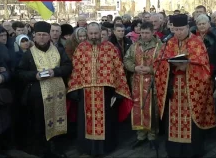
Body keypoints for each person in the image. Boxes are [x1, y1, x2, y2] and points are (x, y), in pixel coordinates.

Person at [154, 14, 216, 158]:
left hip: (191, 90)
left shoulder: (197, 43)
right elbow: (158, 63)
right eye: (175, 29)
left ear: (188, 27)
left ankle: (192, 152)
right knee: (173, 120)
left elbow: (205, 67)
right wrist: (169, 66)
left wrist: (187, 67)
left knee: (191, 122)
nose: (178, 32)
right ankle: (174, 151)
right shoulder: (169, 43)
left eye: (181, 29)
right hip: (173, 89)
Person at [67, 22, 133, 156]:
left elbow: (118, 69)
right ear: (87, 33)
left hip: (106, 92)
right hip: (85, 93)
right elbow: (76, 69)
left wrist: (118, 89)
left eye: (95, 33)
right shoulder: (81, 48)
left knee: (107, 121)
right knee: (86, 122)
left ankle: (105, 148)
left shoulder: (110, 48)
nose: (93, 36)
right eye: (90, 33)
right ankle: (87, 148)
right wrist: (74, 89)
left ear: (101, 32)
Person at [17, 21, 72, 157]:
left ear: (49, 36)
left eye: (44, 35)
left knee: (57, 120)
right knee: (40, 123)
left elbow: (68, 66)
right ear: (34, 36)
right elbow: (19, 72)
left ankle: (56, 148)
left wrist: (56, 72)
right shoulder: (29, 54)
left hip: (58, 94)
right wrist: (34, 75)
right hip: (38, 96)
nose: (41, 37)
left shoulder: (59, 50)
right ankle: (43, 151)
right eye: (39, 35)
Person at [123, 22, 162, 149]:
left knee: (152, 110)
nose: (144, 36)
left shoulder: (160, 46)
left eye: (147, 33)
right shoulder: (135, 46)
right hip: (137, 83)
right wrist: (134, 67)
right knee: (138, 109)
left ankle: (152, 136)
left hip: (152, 84)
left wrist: (151, 69)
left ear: (153, 33)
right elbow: (126, 59)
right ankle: (140, 135)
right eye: (142, 33)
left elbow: (164, 64)